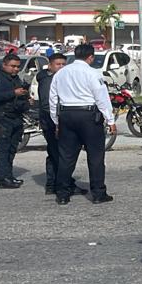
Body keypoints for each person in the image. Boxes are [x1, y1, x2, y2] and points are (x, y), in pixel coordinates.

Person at [48, 43, 116, 205]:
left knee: (66, 157)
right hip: (89, 116)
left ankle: (62, 194)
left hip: (66, 115)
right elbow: (101, 97)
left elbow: (53, 99)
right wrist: (110, 120)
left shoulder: (61, 73)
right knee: (95, 156)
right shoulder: (92, 73)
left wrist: (56, 121)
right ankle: (98, 193)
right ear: (90, 57)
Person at [36, 53, 85, 197]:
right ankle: (63, 184)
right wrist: (57, 121)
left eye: (64, 64)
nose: (61, 67)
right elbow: (47, 104)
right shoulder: (48, 80)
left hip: (56, 120)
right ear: (50, 65)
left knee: (56, 154)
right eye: (58, 64)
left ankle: (53, 184)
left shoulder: (59, 78)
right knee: (61, 155)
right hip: (52, 121)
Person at [0, 53, 31, 189]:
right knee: (3, 149)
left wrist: (26, 99)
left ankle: (9, 176)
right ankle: (3, 179)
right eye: (12, 66)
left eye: (17, 67)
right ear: (4, 65)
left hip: (15, 117)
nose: (15, 69)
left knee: (12, 149)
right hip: (2, 118)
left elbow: (19, 96)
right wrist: (13, 93)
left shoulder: (15, 78)